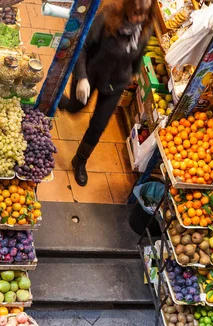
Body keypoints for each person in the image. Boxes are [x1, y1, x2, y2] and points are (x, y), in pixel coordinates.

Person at [59, 0, 154, 186]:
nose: (138, 18)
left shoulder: (144, 28)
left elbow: (138, 56)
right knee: (75, 108)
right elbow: (82, 47)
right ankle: (57, 101)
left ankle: (80, 161)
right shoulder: (107, 17)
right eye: (135, 13)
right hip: (91, 74)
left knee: (98, 125)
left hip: (115, 84)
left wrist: (131, 76)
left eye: (143, 15)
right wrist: (82, 77)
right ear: (127, 8)